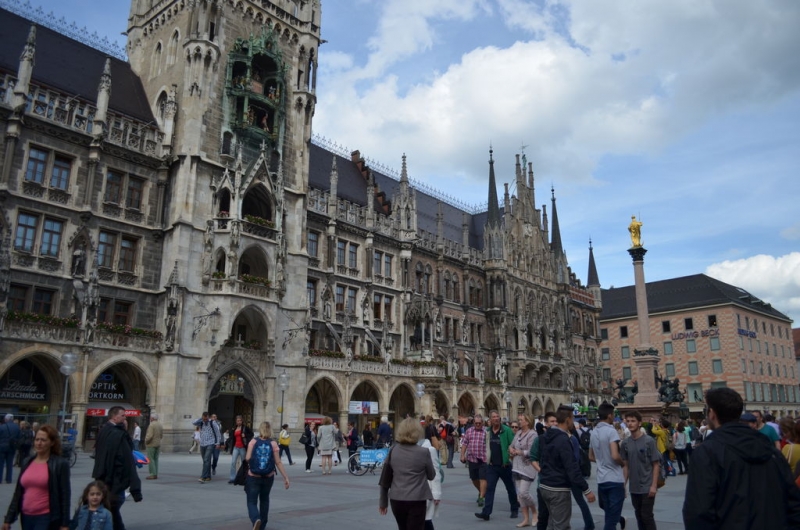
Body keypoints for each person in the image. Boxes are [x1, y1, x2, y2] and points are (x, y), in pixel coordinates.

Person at [683, 387, 800, 529]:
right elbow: (793, 503)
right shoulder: (770, 450)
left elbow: (698, 512)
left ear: (712, 413)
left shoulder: (707, 453)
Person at [2, 425, 70, 530]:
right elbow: (18, 493)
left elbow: (65, 495)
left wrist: (64, 524)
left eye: (43, 440)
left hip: (46, 517)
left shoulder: (60, 464)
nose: (39, 443)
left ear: (52, 443)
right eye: (37, 439)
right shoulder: (27, 462)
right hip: (26, 516)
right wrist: (8, 519)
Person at [539, 405, 596, 530]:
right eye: (573, 418)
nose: (573, 421)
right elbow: (572, 467)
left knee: (552, 524)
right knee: (561, 526)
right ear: (568, 420)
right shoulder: (564, 439)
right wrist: (586, 490)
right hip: (558, 488)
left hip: (544, 485)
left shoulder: (547, 436)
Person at [378, 418, 435, 529]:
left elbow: (385, 479)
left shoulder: (393, 450)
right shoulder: (424, 452)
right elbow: (431, 475)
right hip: (417, 499)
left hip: (397, 499)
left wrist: (383, 503)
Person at [91, 407, 142, 530]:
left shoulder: (103, 431)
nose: (125, 418)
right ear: (114, 417)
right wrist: (135, 488)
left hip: (102, 478)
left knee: (110, 508)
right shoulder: (118, 434)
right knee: (114, 508)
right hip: (115, 480)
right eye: (123, 415)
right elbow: (128, 461)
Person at [474, 410, 520, 521]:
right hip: (492, 466)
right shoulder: (488, 431)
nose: (496, 418)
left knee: (510, 489)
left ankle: (514, 509)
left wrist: (511, 455)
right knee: (490, 489)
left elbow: (513, 444)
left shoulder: (507, 430)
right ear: (490, 419)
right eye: (493, 417)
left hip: (505, 466)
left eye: (497, 416)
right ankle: (486, 513)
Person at [244, 422, 289, 530]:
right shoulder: (273, 443)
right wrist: (285, 477)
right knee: (264, 500)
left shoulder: (253, 441)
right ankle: (262, 526)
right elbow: (278, 462)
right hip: (268, 476)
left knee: (251, 501)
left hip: (253, 476)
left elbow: (247, 458)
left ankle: (256, 519)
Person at [589, 402, 626, 530]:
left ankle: (618, 519)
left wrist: (602, 461)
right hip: (614, 478)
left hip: (601, 478)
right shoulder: (611, 431)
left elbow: (590, 456)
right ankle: (618, 519)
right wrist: (623, 463)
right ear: (610, 415)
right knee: (611, 519)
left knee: (609, 513)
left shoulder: (593, 432)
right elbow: (615, 455)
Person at [621, 411, 660, 530]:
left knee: (646, 516)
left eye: (633, 421)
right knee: (638, 515)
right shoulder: (625, 443)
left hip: (647, 485)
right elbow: (625, 465)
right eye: (628, 421)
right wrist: (624, 484)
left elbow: (656, 464)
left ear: (639, 423)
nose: (630, 424)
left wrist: (654, 486)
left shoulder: (649, 441)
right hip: (634, 487)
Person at [509, 413, 538, 528]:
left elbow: (532, 452)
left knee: (523, 493)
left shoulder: (533, 434)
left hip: (527, 468)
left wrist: (519, 452)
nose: (519, 422)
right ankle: (526, 519)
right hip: (516, 467)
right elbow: (512, 445)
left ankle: (535, 512)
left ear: (528, 421)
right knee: (519, 496)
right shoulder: (519, 433)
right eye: (519, 420)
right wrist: (511, 449)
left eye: (521, 420)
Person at [529, 412, 557, 530]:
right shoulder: (539, 440)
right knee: (543, 515)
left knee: (558, 516)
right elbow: (533, 458)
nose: (554, 424)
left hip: (559, 484)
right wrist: (541, 470)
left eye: (556, 421)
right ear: (545, 423)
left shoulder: (563, 439)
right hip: (543, 484)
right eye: (552, 421)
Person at [459, 414, 487, 508]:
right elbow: (464, 444)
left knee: (483, 478)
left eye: (480, 423)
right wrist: (462, 455)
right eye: (476, 423)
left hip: (484, 459)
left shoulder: (486, 431)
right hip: (472, 459)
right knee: (474, 479)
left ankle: (482, 497)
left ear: (482, 423)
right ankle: (481, 492)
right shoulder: (469, 431)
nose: (478, 425)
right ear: (473, 423)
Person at [420, 428, 443, 530]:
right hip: (413, 491)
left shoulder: (430, 450)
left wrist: (436, 494)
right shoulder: (410, 447)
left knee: (426, 519)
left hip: (427, 490)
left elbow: (436, 473)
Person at [192, 412, 223, 483]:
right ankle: (208, 476)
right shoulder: (201, 422)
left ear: (208, 417)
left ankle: (203, 476)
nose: (205, 420)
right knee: (206, 461)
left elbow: (218, 433)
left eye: (206, 419)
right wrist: (201, 418)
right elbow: (193, 423)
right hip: (202, 443)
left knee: (206, 459)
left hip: (210, 443)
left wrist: (218, 443)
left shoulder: (213, 423)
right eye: (203, 418)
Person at [229, 416, 254, 484]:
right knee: (233, 462)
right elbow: (231, 436)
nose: (239, 422)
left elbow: (251, 434)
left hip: (242, 447)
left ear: (242, 421)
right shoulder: (234, 428)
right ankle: (232, 478)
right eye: (238, 421)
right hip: (236, 447)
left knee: (244, 463)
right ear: (236, 421)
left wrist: (245, 435)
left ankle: (245, 477)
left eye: (240, 420)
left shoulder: (245, 428)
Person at [0, 414, 21, 484]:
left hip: (2, 447)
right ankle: (8, 479)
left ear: (6, 419)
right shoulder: (17, 427)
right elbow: (19, 437)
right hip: (12, 447)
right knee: (9, 463)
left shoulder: (2, 427)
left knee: (1, 463)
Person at [144, 413, 163, 480]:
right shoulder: (160, 425)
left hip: (151, 444)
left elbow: (150, 435)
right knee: (155, 459)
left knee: (150, 459)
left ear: (152, 418)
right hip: (158, 443)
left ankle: (152, 474)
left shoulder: (151, 425)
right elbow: (161, 435)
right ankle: (155, 473)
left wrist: (146, 441)